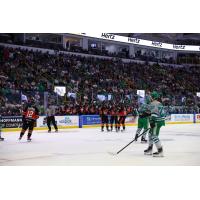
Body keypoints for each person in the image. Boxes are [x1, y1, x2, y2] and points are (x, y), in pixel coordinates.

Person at [144, 91, 166, 157]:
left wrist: (152, 121)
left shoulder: (153, 103)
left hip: (156, 121)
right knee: (150, 134)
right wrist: (147, 114)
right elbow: (153, 112)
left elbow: (154, 113)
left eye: (151, 96)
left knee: (154, 135)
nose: (150, 97)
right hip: (158, 120)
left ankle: (160, 151)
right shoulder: (158, 103)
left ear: (153, 97)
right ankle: (150, 149)